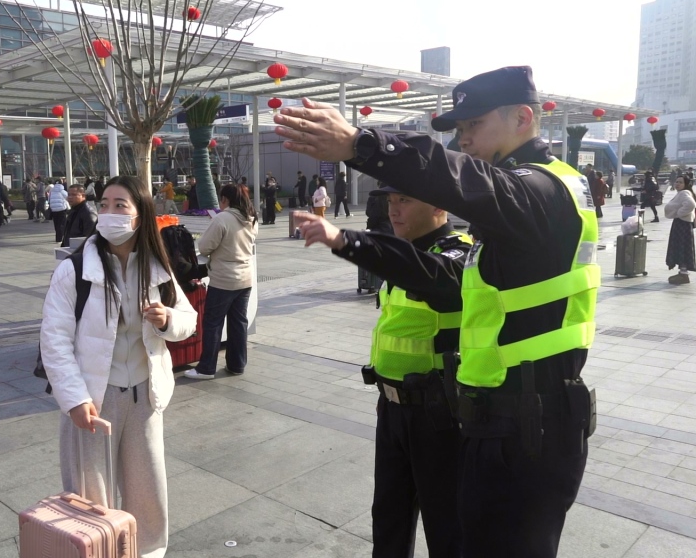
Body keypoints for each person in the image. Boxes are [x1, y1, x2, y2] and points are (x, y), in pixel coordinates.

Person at [275, 66, 598, 558]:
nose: (463, 140)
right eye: (459, 129)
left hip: (525, 426)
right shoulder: (538, 195)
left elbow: (459, 194)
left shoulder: (539, 190)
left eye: (474, 125)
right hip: (505, 418)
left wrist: (362, 144)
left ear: (522, 118)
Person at [292, 183, 472, 558]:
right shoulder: (405, 253)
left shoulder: (459, 253)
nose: (393, 209)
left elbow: (435, 277)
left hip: (439, 412)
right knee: (389, 520)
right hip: (393, 408)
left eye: (405, 199)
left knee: (447, 528)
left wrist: (346, 241)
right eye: (390, 201)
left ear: (438, 205)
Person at [39, 176, 196, 558]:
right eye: (105, 204)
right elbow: (54, 340)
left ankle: (148, 552)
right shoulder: (75, 270)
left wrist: (167, 320)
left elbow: (188, 320)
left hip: (145, 396)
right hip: (95, 399)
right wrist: (75, 399)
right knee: (91, 495)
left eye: (120, 205)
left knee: (148, 491)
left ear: (140, 215)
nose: (109, 212)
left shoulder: (157, 267)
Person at [183, 183, 258, 380]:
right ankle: (237, 365)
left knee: (213, 323)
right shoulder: (251, 217)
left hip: (224, 279)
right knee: (238, 322)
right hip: (245, 278)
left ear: (225, 199)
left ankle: (206, 368)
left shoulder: (223, 219)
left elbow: (204, 247)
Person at [665, 173, 696, 285]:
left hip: (682, 224)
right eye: (677, 182)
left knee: (681, 247)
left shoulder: (684, 193)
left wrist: (680, 213)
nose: (678, 184)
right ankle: (682, 272)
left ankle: (683, 274)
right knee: (682, 247)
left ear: (686, 184)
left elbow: (691, 204)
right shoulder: (683, 193)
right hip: (683, 223)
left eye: (680, 182)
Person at [62, 183, 98, 248]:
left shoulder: (88, 213)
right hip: (71, 249)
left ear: (83, 196)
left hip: (81, 250)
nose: (70, 197)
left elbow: (91, 238)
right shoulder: (73, 210)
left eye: (74, 195)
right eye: (69, 194)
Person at [48, 178, 70, 242]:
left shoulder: (51, 191)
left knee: (56, 223)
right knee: (62, 224)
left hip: (53, 210)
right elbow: (68, 197)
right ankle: (60, 238)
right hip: (61, 209)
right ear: (61, 183)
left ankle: (58, 237)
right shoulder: (62, 190)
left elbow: (49, 200)